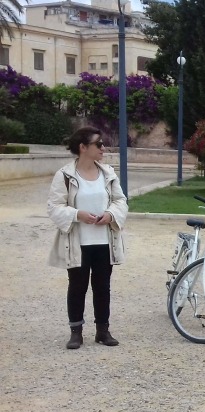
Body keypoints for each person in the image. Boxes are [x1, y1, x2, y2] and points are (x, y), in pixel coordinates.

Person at [48, 126, 129, 349]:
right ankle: (76, 332)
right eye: (98, 144)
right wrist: (77, 215)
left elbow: (120, 200)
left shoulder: (108, 173)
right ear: (83, 148)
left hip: (104, 242)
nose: (103, 148)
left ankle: (103, 331)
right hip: (78, 243)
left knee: (103, 287)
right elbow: (54, 207)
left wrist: (110, 214)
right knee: (77, 286)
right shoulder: (64, 175)